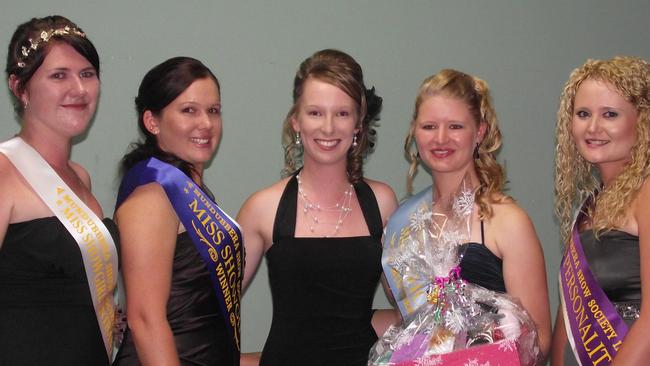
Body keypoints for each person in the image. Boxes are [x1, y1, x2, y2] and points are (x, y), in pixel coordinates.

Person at [237, 49, 398, 365]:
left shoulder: (381, 203)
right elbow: (212, 310)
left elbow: (410, 306)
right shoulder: (263, 208)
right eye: (315, 113)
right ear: (296, 121)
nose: (328, 128)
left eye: (341, 113)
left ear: (358, 124)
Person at [387, 69, 551, 361]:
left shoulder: (508, 222)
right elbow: (410, 323)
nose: (440, 139)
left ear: (480, 132)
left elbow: (540, 338)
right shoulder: (403, 222)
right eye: (428, 126)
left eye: (455, 127)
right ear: (414, 131)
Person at [0, 15, 119, 365]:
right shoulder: (4, 171)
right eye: (58, 75)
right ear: (20, 88)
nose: (79, 89)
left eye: (87, 74)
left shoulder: (81, 178)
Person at [112, 57, 242, 366]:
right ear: (152, 122)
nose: (206, 124)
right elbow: (144, 320)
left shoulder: (191, 191)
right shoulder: (152, 197)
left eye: (213, 110)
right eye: (189, 111)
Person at [551, 56, 650, 365]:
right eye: (583, 114)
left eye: (610, 114)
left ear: (643, 121)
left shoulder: (646, 193)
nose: (593, 127)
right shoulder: (590, 204)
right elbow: (567, 316)